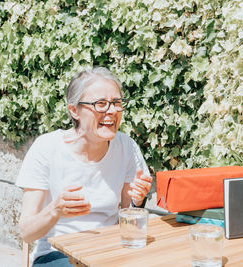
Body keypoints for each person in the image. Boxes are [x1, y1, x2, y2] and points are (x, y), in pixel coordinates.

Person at [16, 67, 153, 266]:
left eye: (116, 103)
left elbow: (129, 224)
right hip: (57, 255)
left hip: (108, 252)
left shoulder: (127, 147)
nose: (112, 111)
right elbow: (26, 233)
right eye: (101, 104)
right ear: (74, 110)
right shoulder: (46, 148)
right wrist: (55, 210)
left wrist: (137, 202)